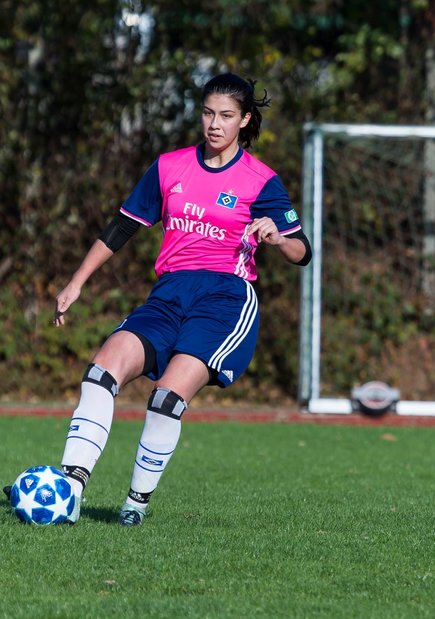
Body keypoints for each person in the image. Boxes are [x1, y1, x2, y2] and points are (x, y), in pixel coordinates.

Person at [40, 72, 312, 526]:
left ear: (245, 120)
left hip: (225, 299)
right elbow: (123, 226)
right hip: (169, 293)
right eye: (208, 113)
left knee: (166, 398)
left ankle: (134, 506)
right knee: (100, 372)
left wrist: (278, 238)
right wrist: (77, 281)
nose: (215, 124)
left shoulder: (260, 180)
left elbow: (303, 251)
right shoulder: (170, 167)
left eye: (226, 116)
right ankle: (68, 490)